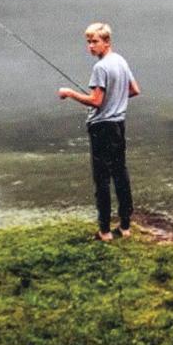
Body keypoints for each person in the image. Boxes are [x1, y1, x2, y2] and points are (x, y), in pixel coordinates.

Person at [57, 22, 140, 242]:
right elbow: (134, 90)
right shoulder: (121, 61)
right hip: (119, 125)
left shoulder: (100, 68)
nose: (91, 46)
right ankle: (125, 226)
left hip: (102, 128)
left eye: (95, 42)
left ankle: (104, 231)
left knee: (102, 180)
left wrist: (69, 93)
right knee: (120, 175)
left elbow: (95, 101)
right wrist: (115, 99)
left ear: (107, 42)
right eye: (88, 42)